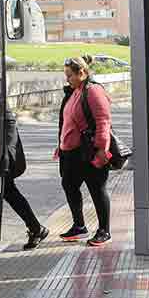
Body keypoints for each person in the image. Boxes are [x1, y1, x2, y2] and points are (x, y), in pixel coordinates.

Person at [55, 55, 112, 247]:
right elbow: (67, 122)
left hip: (89, 151)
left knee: (97, 189)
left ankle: (104, 230)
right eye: (66, 75)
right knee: (69, 185)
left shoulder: (93, 91)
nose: (67, 79)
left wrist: (102, 150)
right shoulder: (75, 91)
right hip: (72, 153)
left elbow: (103, 121)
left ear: (82, 73)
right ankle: (79, 226)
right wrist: (61, 145)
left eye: (69, 75)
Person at [2, 105, 48, 249]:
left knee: (8, 192)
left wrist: (4, 159)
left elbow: (9, 131)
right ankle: (36, 229)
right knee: (8, 193)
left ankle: (36, 229)